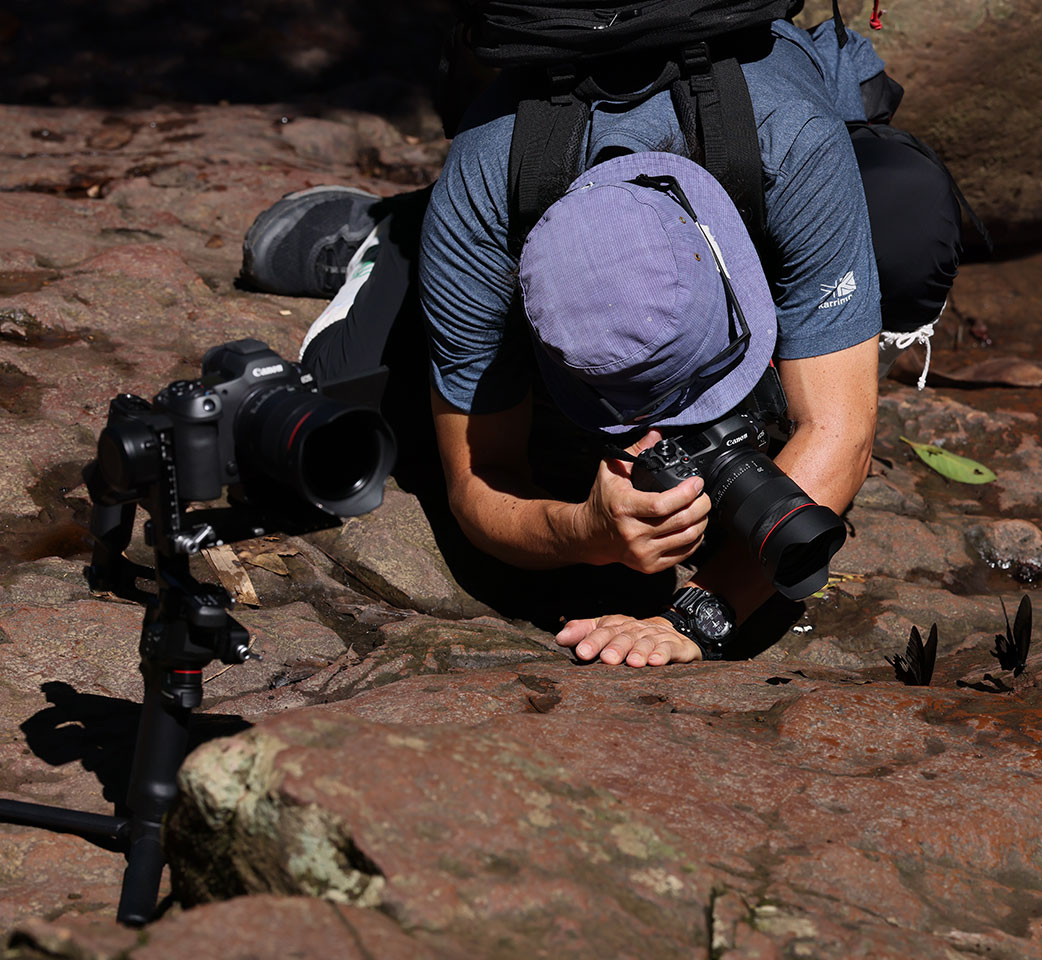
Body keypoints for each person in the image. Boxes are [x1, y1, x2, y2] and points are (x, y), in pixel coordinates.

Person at [241, 17, 964, 668]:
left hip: (764, 129)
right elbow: (478, 477)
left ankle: (806, 335)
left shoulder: (793, 144)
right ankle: (393, 231)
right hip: (506, 199)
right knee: (344, 385)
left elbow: (842, 432)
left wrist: (704, 610)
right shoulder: (485, 190)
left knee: (904, 222)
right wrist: (584, 532)